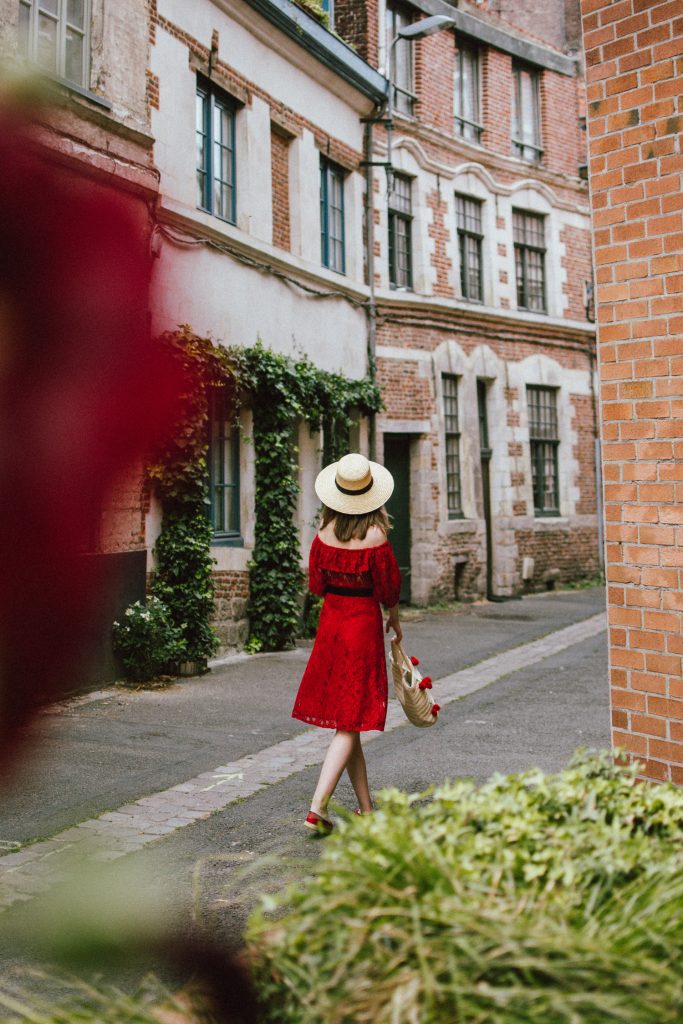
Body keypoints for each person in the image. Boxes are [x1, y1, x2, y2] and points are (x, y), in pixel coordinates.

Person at [292, 452, 403, 834]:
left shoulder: (322, 536)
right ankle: (317, 808)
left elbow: (316, 586)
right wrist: (396, 620)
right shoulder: (377, 537)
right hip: (361, 627)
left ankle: (366, 809)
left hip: (332, 627)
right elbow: (389, 589)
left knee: (347, 720)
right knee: (348, 722)